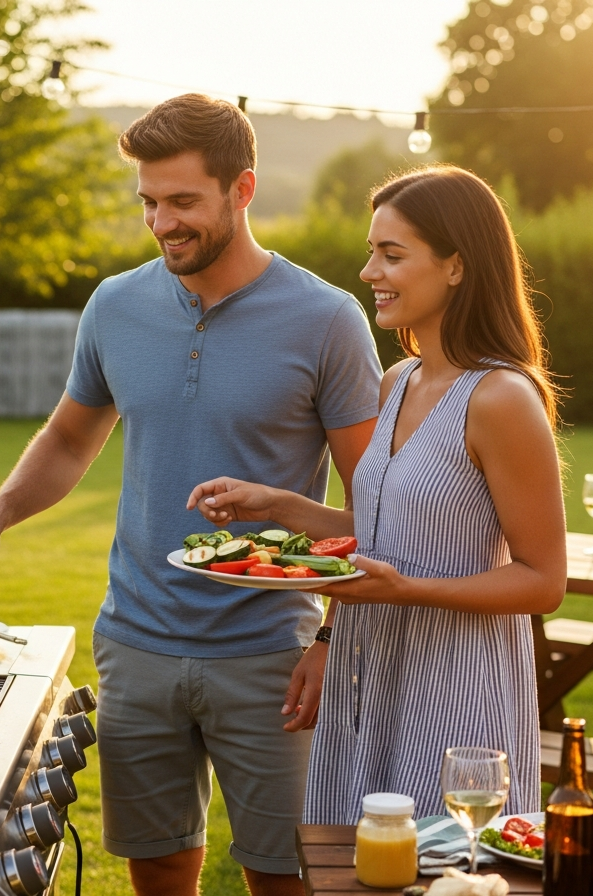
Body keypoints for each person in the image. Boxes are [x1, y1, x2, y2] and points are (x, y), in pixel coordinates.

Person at [0, 94, 382, 896]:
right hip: (136, 641)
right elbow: (70, 439)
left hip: (274, 650)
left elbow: (373, 500)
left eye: (182, 201)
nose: (162, 222)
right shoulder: (116, 306)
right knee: (160, 866)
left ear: (241, 191)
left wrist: (330, 641)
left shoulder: (327, 320)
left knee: (286, 875)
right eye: (148, 202)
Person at [188, 164, 566, 821]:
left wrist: (407, 591)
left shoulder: (503, 398)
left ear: (456, 266)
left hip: (454, 686)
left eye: (392, 255)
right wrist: (279, 506)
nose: (370, 273)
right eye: (372, 252)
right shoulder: (399, 380)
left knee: (441, 874)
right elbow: (383, 534)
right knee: (354, 869)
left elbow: (543, 581)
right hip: (368, 676)